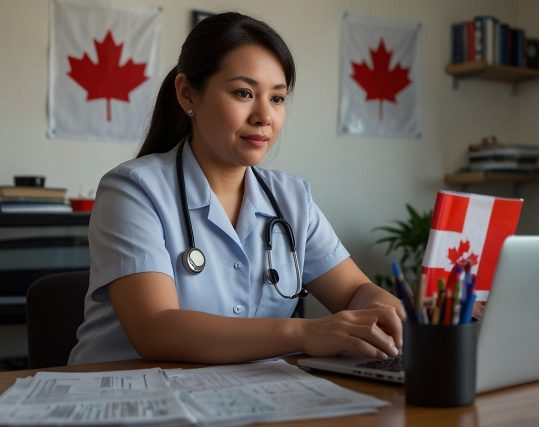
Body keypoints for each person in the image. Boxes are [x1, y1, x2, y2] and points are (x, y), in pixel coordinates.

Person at [68, 11, 405, 365]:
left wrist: (391, 315)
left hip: (245, 399)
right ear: (187, 94)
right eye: (244, 93)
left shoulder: (292, 200)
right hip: (125, 399)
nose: (264, 116)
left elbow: (355, 292)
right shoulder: (133, 190)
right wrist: (305, 332)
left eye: (277, 98)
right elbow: (156, 329)